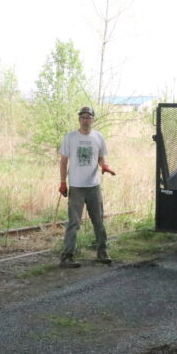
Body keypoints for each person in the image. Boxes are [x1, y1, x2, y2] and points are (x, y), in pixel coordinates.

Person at [58, 106, 116, 268]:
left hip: (93, 186)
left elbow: (101, 157)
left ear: (93, 119)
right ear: (79, 119)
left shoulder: (98, 137)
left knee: (98, 220)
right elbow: (63, 162)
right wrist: (62, 183)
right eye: (83, 117)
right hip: (76, 186)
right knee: (74, 223)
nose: (85, 120)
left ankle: (102, 252)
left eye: (88, 117)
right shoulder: (70, 137)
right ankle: (67, 256)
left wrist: (104, 166)